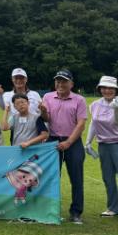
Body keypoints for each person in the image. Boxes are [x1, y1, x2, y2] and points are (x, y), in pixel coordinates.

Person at [85, 76, 118, 224]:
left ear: (116, 90)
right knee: (108, 178)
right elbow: (94, 123)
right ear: (100, 89)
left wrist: (115, 108)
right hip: (104, 145)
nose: (107, 91)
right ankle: (114, 207)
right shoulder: (95, 105)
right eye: (104, 88)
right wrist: (88, 141)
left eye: (110, 88)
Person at [39, 69, 87, 224]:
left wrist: (68, 142)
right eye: (58, 81)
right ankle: (50, 209)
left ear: (71, 84)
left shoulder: (79, 100)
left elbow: (81, 124)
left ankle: (76, 212)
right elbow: (47, 119)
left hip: (73, 141)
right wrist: (43, 112)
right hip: (53, 141)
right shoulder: (47, 96)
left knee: (76, 178)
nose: (60, 84)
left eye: (64, 81)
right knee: (51, 178)